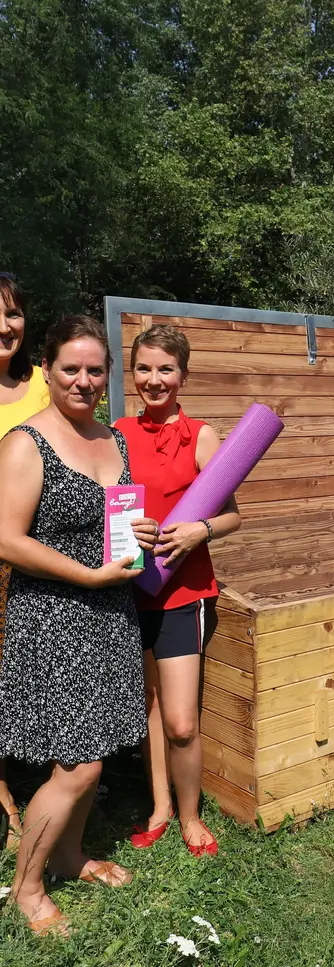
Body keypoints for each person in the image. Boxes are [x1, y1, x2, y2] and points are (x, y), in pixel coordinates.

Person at [0, 315, 157, 936]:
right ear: (48, 369)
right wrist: (86, 576)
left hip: (109, 614)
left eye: (96, 370)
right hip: (54, 619)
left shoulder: (113, 440)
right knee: (79, 765)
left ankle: (67, 854)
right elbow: (6, 539)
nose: (84, 380)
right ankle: (26, 887)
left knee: (94, 752)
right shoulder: (24, 443)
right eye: (71, 368)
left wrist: (137, 537)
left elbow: (112, 520)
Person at [115, 325, 241, 857]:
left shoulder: (203, 436)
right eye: (144, 368)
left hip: (183, 594)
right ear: (133, 374)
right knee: (148, 705)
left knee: (182, 721)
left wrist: (199, 531)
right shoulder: (115, 433)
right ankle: (161, 805)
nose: (154, 379)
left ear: (183, 375)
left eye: (165, 369)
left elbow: (233, 514)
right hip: (126, 589)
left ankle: (191, 816)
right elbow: (109, 507)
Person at [0, 275, 50, 851]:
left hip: (43, 555)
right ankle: (6, 798)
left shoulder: (44, 382)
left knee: (33, 667)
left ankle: (65, 777)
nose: (4, 327)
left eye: (12, 313)